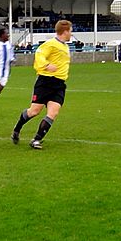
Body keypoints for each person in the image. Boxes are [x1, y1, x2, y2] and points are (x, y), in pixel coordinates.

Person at [11, 20, 72, 149]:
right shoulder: (51, 44)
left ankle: (36, 140)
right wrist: (46, 65)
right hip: (45, 82)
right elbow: (39, 54)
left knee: (53, 113)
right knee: (34, 111)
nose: (71, 33)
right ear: (65, 31)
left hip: (59, 84)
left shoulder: (65, 46)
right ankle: (17, 129)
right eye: (70, 31)